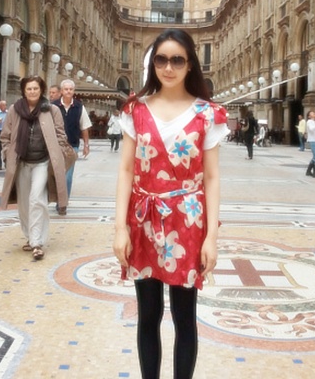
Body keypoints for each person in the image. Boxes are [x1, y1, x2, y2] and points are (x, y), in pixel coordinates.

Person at [113, 29, 229, 379]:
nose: (168, 67)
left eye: (177, 60)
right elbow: (126, 169)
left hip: (188, 223)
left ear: (190, 64)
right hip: (143, 219)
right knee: (148, 315)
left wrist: (212, 237)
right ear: (152, 64)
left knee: (184, 317)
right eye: (161, 59)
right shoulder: (136, 110)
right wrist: (119, 229)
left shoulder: (207, 114)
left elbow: (212, 177)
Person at [0, 76, 71, 260]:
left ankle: (37, 242)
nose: (32, 92)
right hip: (21, 162)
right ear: (24, 91)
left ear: (41, 90)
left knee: (36, 199)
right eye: (29, 89)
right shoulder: (15, 110)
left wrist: (60, 154)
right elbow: (5, 136)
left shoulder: (52, 110)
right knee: (24, 203)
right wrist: (7, 153)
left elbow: (61, 135)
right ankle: (30, 235)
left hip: (42, 162)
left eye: (35, 88)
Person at [52, 79, 92, 203]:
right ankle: (57, 199)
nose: (68, 91)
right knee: (56, 176)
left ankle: (63, 203)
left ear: (74, 91)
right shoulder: (53, 106)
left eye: (71, 89)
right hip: (55, 146)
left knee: (68, 177)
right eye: (66, 89)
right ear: (61, 91)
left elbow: (84, 127)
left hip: (72, 146)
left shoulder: (79, 107)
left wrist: (86, 145)